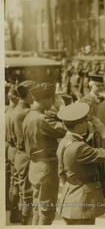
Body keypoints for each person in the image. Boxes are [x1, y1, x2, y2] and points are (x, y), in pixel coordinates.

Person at [56, 102, 105, 225]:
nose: (88, 124)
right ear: (78, 126)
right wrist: (104, 133)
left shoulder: (64, 141)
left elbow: (61, 173)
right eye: (85, 121)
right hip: (82, 203)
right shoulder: (79, 147)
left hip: (69, 197)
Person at [22, 83, 67, 225]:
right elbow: (67, 130)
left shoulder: (30, 115)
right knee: (47, 212)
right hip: (46, 167)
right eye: (52, 99)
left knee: (38, 208)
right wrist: (63, 109)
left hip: (35, 166)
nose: (54, 102)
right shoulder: (42, 119)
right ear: (45, 100)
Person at [11, 81, 36, 225]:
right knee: (27, 194)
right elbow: (22, 142)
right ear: (29, 94)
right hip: (25, 156)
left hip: (19, 156)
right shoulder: (24, 113)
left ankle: (19, 219)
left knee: (21, 191)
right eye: (33, 94)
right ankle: (25, 224)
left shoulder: (14, 110)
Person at [5, 85, 20, 223]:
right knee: (16, 183)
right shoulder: (16, 114)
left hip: (9, 150)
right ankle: (15, 213)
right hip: (16, 150)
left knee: (12, 182)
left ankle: (12, 210)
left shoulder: (6, 112)